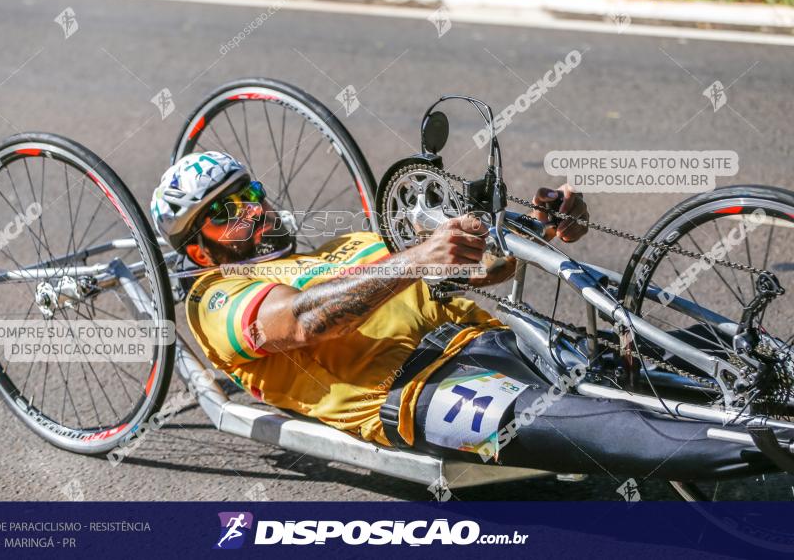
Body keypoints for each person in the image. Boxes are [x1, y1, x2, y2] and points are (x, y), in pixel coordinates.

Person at [151, 151, 769, 480]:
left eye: (249, 194)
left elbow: (483, 270)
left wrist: (542, 230)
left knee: (699, 354)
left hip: (497, 340)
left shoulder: (348, 248)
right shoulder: (215, 296)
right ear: (201, 247)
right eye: (227, 209)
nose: (253, 212)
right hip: (423, 390)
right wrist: (416, 258)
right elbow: (303, 323)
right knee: (629, 429)